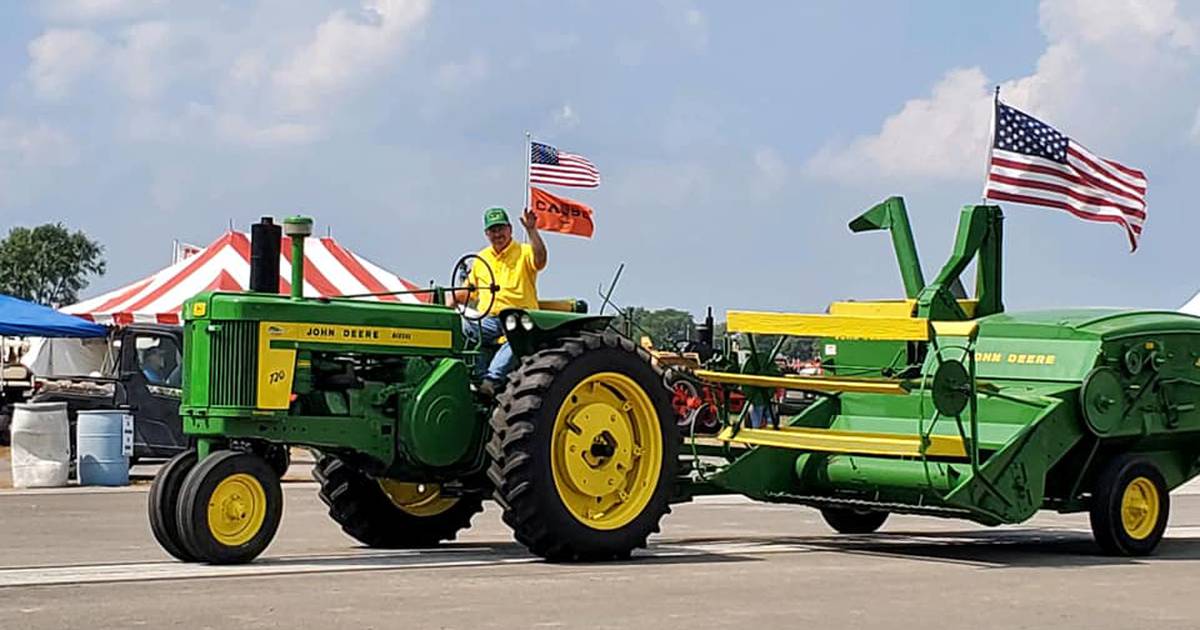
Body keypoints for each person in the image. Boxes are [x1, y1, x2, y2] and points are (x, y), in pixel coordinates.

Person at [455, 206, 547, 397]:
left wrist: (531, 230)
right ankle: (476, 379)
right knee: (463, 325)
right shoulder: (482, 258)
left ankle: (491, 380)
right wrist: (447, 304)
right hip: (489, 319)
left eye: (501, 228)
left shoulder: (525, 251)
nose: (498, 234)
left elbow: (540, 260)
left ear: (510, 229)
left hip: (519, 317)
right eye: (493, 230)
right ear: (487, 234)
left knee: (516, 334)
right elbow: (468, 291)